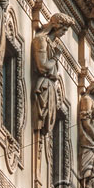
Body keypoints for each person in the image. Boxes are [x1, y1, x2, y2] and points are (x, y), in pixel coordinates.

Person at [32, 13, 75, 145]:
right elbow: (42, 67)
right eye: (63, 29)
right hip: (44, 87)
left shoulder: (49, 43)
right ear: (56, 26)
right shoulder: (41, 40)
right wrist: (56, 56)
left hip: (49, 87)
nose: (63, 33)